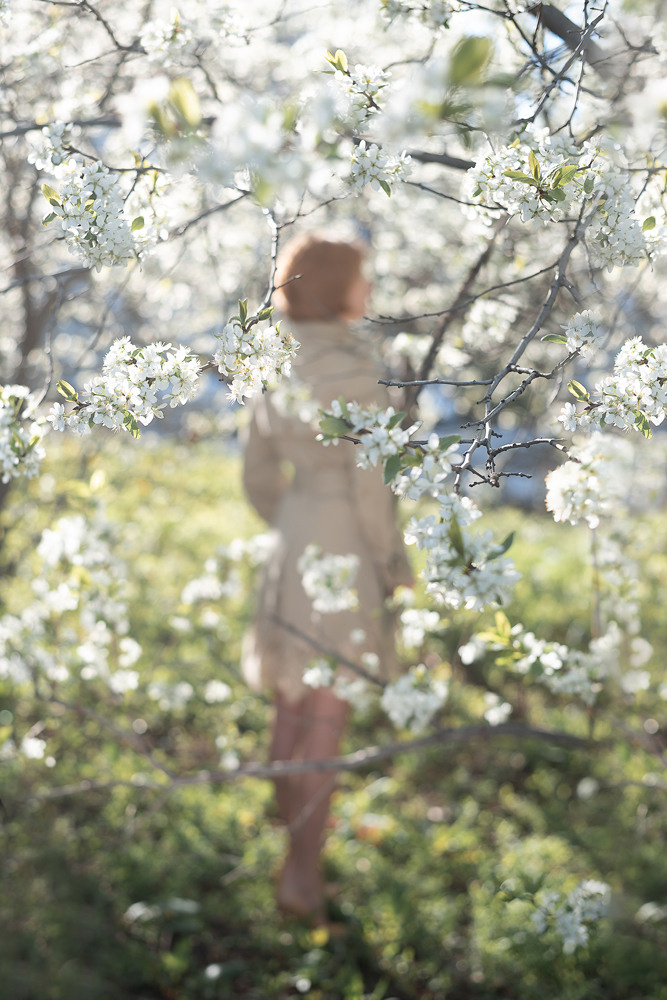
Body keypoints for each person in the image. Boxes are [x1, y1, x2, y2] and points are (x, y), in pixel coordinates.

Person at [242, 233, 411, 921]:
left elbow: (255, 476)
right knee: (326, 719)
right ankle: (303, 876)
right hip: (343, 544)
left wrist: (292, 519)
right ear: (335, 284)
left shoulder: (271, 359)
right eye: (361, 279)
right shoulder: (361, 372)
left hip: (293, 539)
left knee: (290, 706)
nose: (368, 292)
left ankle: (293, 859)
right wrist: (393, 563)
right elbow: (373, 490)